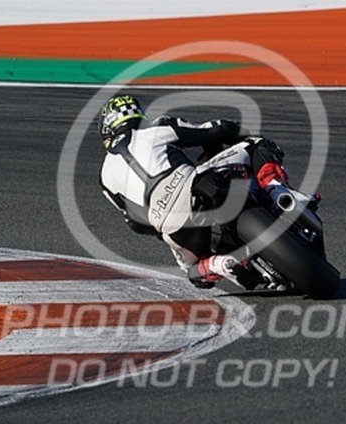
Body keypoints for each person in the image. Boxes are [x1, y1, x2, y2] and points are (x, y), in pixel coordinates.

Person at [98, 94, 308, 290]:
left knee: (193, 272)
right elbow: (214, 130)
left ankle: (219, 263)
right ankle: (277, 192)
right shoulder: (155, 129)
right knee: (256, 144)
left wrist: (163, 227)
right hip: (193, 185)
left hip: (167, 223)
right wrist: (239, 134)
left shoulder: (105, 177)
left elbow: (135, 222)